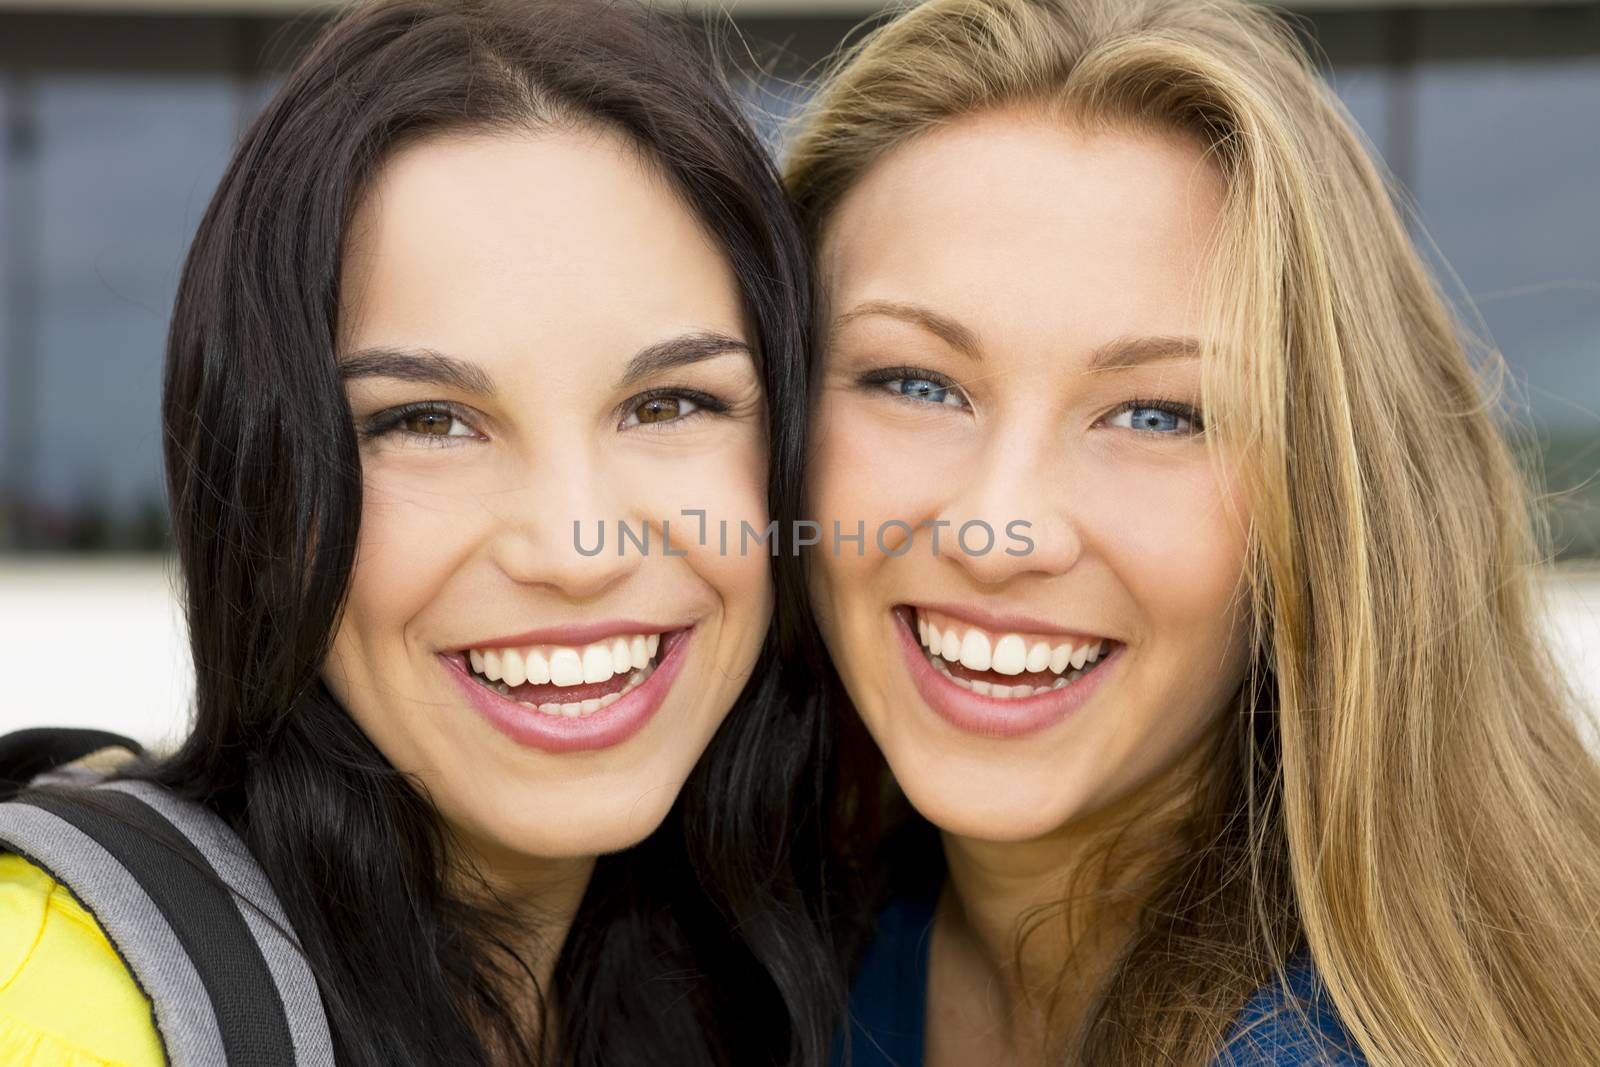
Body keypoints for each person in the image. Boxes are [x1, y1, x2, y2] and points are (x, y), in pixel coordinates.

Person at [0, 1, 832, 1064]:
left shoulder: (739, 969)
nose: (576, 549)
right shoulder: (61, 1002)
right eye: (427, 421)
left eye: (668, 403)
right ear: (266, 482)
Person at [782, 0, 1600, 1064]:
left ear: (1328, 497)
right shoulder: (784, 942)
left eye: (1157, 414)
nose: (998, 530)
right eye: (916, 382)